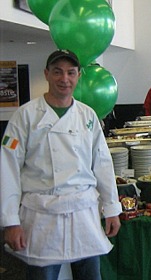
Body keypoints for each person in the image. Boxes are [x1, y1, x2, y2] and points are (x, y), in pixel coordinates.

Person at [0, 50, 122, 280]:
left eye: (70, 73)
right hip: (42, 218)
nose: (64, 79)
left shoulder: (88, 116)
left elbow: (103, 164)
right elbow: (7, 169)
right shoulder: (25, 116)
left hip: (83, 214)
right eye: (57, 72)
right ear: (47, 74)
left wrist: (112, 208)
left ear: (78, 76)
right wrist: (10, 222)